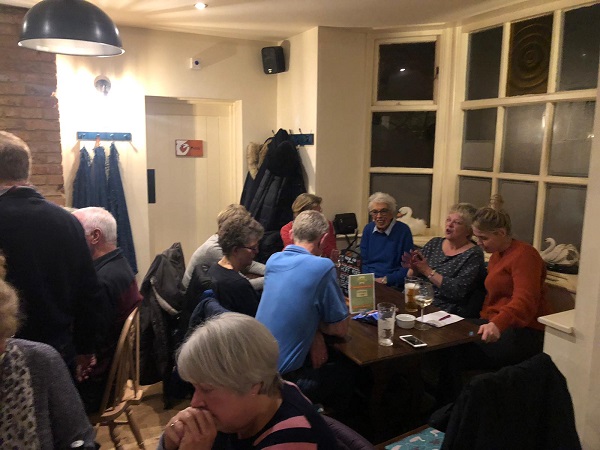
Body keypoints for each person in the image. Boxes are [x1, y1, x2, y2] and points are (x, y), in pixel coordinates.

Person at [0, 131, 107, 378]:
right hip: (58, 348)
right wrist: (85, 348)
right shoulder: (67, 220)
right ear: (26, 170)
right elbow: (89, 291)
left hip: (7, 352)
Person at [158, 313, 337, 450]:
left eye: (207, 389)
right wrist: (169, 442)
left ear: (253, 385)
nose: (195, 402)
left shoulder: (290, 439)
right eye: (194, 388)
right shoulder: (271, 392)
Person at [256, 210, 350, 410]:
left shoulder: (274, 260)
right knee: (351, 373)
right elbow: (340, 328)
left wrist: (314, 330)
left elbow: (294, 307)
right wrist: (317, 328)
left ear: (291, 235)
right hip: (287, 383)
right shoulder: (323, 267)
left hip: (257, 372)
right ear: (324, 239)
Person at [0, 257, 96, 449]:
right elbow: (90, 297)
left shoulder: (37, 362)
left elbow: (78, 438)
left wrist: (84, 353)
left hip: (59, 354)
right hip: (63, 343)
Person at [72, 206, 143, 412]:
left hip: (99, 389)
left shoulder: (101, 281)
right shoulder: (120, 265)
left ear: (95, 236)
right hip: (113, 378)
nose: (71, 240)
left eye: (76, 233)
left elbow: (89, 344)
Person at [469, 205, 551, 367]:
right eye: (477, 238)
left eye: (483, 238)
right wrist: (485, 320)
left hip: (525, 329)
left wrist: (497, 324)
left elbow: (525, 300)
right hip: (496, 323)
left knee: (456, 349)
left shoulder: (525, 254)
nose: (479, 243)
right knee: (450, 337)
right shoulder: (495, 256)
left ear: (501, 233)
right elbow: (491, 297)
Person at [402, 203, 486, 318]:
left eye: (457, 222)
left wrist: (428, 271)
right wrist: (414, 268)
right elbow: (412, 280)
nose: (449, 225)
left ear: (468, 231)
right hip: (416, 301)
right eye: (448, 220)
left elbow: (458, 291)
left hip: (444, 310)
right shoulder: (435, 243)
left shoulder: (473, 254)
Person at [182, 204, 266, 291]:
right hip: (194, 297)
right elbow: (244, 285)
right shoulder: (213, 249)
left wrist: (274, 270)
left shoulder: (220, 241)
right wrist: (274, 278)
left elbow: (249, 265)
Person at [208, 214, 264, 316]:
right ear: (236, 250)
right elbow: (257, 321)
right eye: (253, 248)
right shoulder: (238, 285)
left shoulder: (213, 269)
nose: (257, 251)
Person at [360, 192, 414, 287]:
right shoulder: (368, 229)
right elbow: (364, 262)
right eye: (375, 212)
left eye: (383, 211)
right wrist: (368, 279)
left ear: (391, 213)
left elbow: (407, 267)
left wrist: (386, 280)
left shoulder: (403, 231)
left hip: (392, 284)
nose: (379, 216)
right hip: (369, 282)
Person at [280, 193, 337, 258]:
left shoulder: (327, 224)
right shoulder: (287, 229)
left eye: (320, 211)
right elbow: (297, 253)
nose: (320, 215)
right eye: (315, 213)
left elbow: (333, 251)